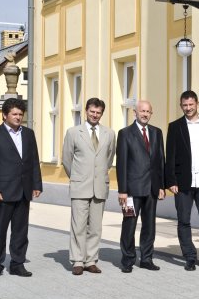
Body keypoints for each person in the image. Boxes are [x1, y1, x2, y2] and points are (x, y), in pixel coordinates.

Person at [0, 98, 42, 279]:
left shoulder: (28, 134)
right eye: (14, 114)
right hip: (2, 192)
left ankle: (17, 263)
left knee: (21, 231)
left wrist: (36, 184)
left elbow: (33, 160)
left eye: (20, 114)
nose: (18, 117)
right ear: (5, 115)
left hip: (23, 190)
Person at [62, 98, 116, 275]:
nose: (95, 115)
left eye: (98, 112)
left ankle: (91, 260)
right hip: (80, 186)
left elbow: (109, 159)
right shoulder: (73, 132)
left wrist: (98, 175)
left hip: (99, 186)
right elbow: (67, 159)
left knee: (95, 227)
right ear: (86, 111)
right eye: (92, 111)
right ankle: (78, 260)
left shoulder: (109, 134)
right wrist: (77, 177)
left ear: (102, 114)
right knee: (78, 226)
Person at [165, 91, 199, 271]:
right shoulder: (175, 126)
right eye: (185, 105)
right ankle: (189, 257)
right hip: (182, 183)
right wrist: (171, 181)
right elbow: (170, 155)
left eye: (191, 105)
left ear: (197, 104)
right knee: (183, 221)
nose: (188, 108)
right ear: (181, 106)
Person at [117, 100, 165, 272]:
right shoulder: (125, 133)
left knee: (149, 226)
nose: (145, 114)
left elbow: (161, 160)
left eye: (148, 111)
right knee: (129, 224)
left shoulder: (157, 132)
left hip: (152, 189)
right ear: (135, 113)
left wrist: (161, 185)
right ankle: (128, 260)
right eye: (142, 111)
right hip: (131, 190)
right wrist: (122, 190)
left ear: (151, 113)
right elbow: (121, 164)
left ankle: (146, 258)